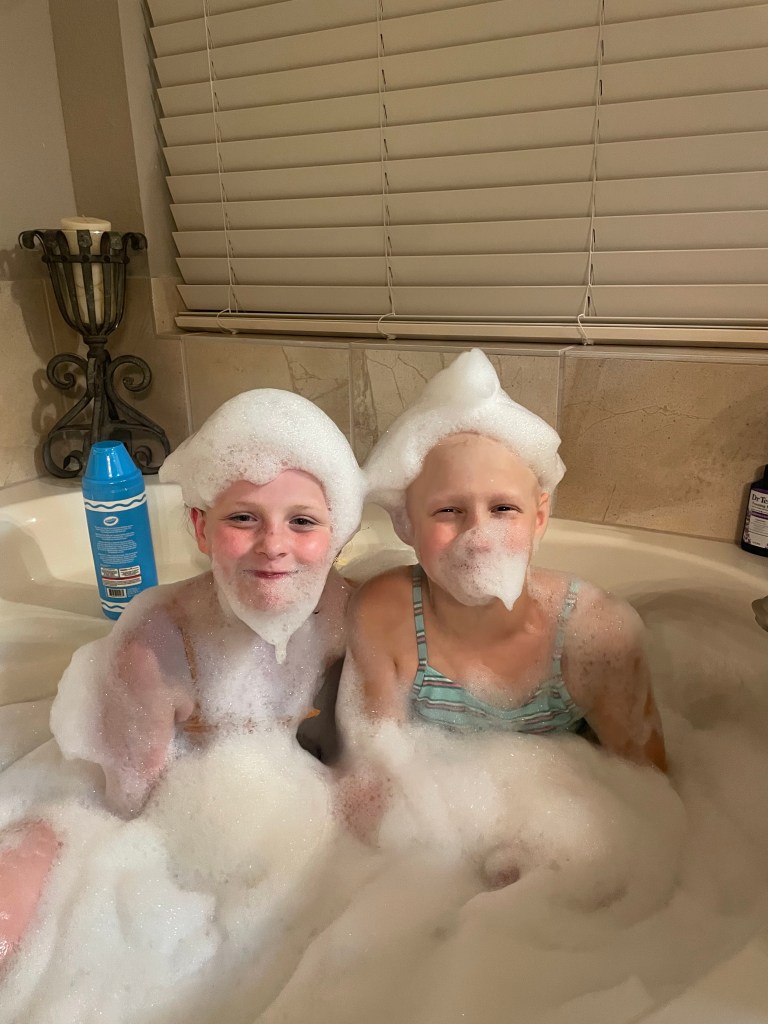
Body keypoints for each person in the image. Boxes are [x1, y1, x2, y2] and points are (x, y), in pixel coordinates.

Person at [0, 388, 364, 965]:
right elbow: (127, 808)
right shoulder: (158, 645)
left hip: (290, 836)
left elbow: (380, 748)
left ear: (337, 536)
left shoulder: (356, 614)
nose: (274, 545)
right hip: (175, 848)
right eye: (242, 518)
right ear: (200, 528)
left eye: (302, 521)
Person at [346, 350, 667, 775]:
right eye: (448, 510)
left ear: (540, 517)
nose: (479, 538)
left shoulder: (595, 634)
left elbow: (647, 787)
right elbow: (372, 778)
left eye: (503, 509)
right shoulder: (386, 614)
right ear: (406, 522)